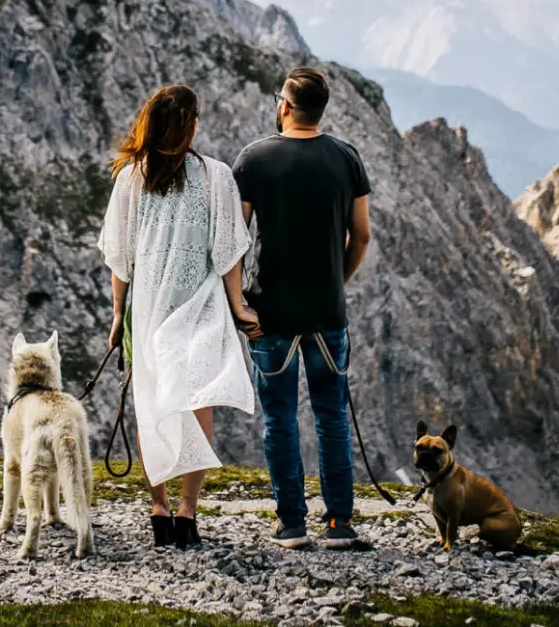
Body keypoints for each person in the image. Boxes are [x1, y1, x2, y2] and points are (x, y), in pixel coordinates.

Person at [99, 84, 264, 549]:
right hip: (200, 306)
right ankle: (188, 513)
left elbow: (120, 257)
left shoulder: (131, 177)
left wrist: (117, 314)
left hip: (148, 308)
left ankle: (159, 508)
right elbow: (229, 249)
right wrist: (238, 305)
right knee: (197, 404)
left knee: (150, 402)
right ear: (189, 123)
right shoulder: (215, 176)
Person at [233, 67, 373, 550]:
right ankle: (339, 523)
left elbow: (234, 241)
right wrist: (338, 281)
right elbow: (363, 235)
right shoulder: (346, 158)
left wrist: (238, 305)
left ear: (285, 106)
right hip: (327, 313)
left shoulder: (254, 160)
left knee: (280, 418)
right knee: (331, 415)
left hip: (270, 315)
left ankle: (291, 522)